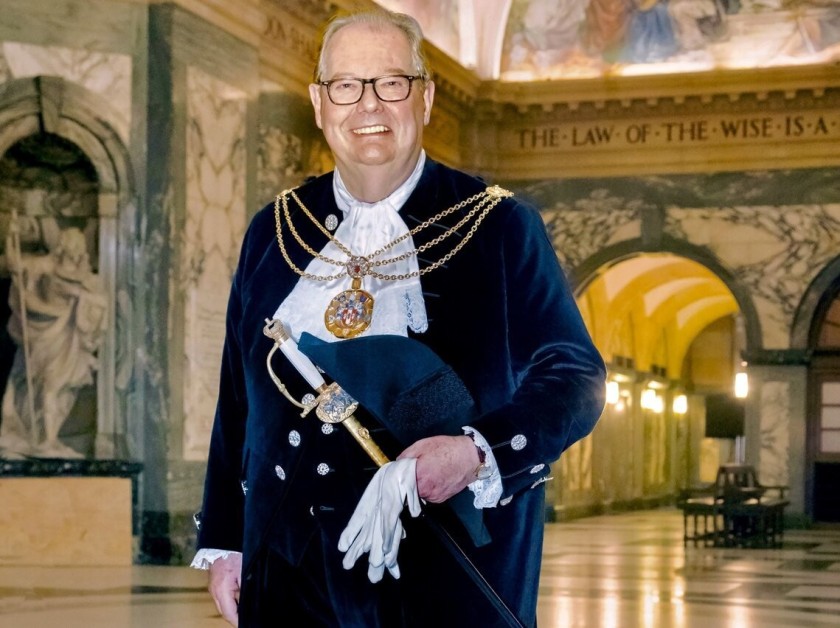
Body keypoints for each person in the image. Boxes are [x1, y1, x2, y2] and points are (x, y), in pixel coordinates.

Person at [193, 8, 605, 627]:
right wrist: (227, 542)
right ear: (318, 102)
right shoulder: (275, 230)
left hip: (440, 569)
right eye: (346, 85)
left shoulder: (496, 227)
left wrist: (476, 452)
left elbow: (576, 378)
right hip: (287, 567)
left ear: (426, 98)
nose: (368, 105)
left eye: (392, 82)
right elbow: (237, 401)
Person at [1, 222, 107, 458]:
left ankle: (50, 437)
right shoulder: (46, 265)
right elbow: (15, 264)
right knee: (46, 385)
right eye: (73, 245)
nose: (77, 250)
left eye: (80, 246)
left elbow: (97, 301)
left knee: (61, 389)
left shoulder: (84, 274)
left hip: (69, 338)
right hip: (44, 335)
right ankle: (43, 439)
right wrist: (11, 236)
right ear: (63, 245)